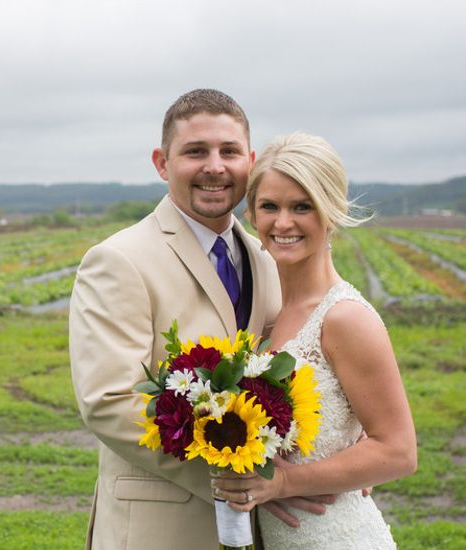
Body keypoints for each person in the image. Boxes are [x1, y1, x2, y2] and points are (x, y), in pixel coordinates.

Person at [69, 90, 324, 550]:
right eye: (195, 152)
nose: (215, 166)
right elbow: (107, 402)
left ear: (249, 160)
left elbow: (291, 360)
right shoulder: (118, 260)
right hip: (160, 528)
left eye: (229, 151)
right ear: (161, 163)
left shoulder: (266, 257)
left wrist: (332, 458)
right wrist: (238, 478)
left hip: (261, 530)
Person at [212, 132, 418, 549]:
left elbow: (398, 451)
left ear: (331, 212)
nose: (283, 223)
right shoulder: (267, 311)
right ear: (251, 213)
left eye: (302, 207)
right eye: (270, 206)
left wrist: (285, 481)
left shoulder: (344, 317)